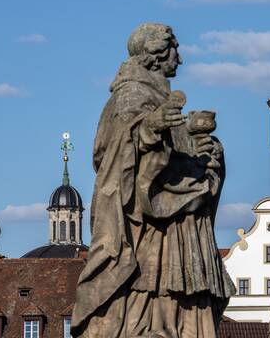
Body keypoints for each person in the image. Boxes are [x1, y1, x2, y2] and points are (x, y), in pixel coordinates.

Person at [71, 23, 234, 338]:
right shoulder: (132, 93)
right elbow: (111, 150)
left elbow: (175, 150)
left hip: (178, 219)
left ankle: (174, 326)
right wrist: (149, 129)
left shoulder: (158, 94)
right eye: (175, 51)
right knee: (150, 281)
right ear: (156, 54)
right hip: (151, 222)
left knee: (175, 285)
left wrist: (199, 145)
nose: (180, 59)